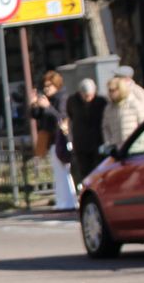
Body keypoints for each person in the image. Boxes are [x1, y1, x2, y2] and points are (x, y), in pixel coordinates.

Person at [31, 70, 75, 210]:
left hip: (61, 139)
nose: (46, 88)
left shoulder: (62, 98)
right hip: (52, 139)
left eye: (49, 85)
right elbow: (36, 116)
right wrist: (34, 105)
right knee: (58, 172)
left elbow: (60, 118)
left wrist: (48, 107)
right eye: (45, 85)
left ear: (57, 85)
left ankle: (69, 201)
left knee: (65, 171)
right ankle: (62, 201)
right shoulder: (48, 99)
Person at [66, 77, 107, 184]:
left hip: (97, 141)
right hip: (81, 143)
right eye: (86, 96)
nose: (88, 98)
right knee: (84, 172)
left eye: (90, 95)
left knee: (98, 169)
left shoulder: (101, 101)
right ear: (80, 93)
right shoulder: (73, 101)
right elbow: (70, 115)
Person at [102, 67, 144, 149]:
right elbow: (106, 125)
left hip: (134, 144)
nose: (115, 79)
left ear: (126, 78)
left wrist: (139, 141)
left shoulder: (138, 93)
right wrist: (109, 142)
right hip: (117, 144)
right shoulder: (111, 105)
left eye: (117, 77)